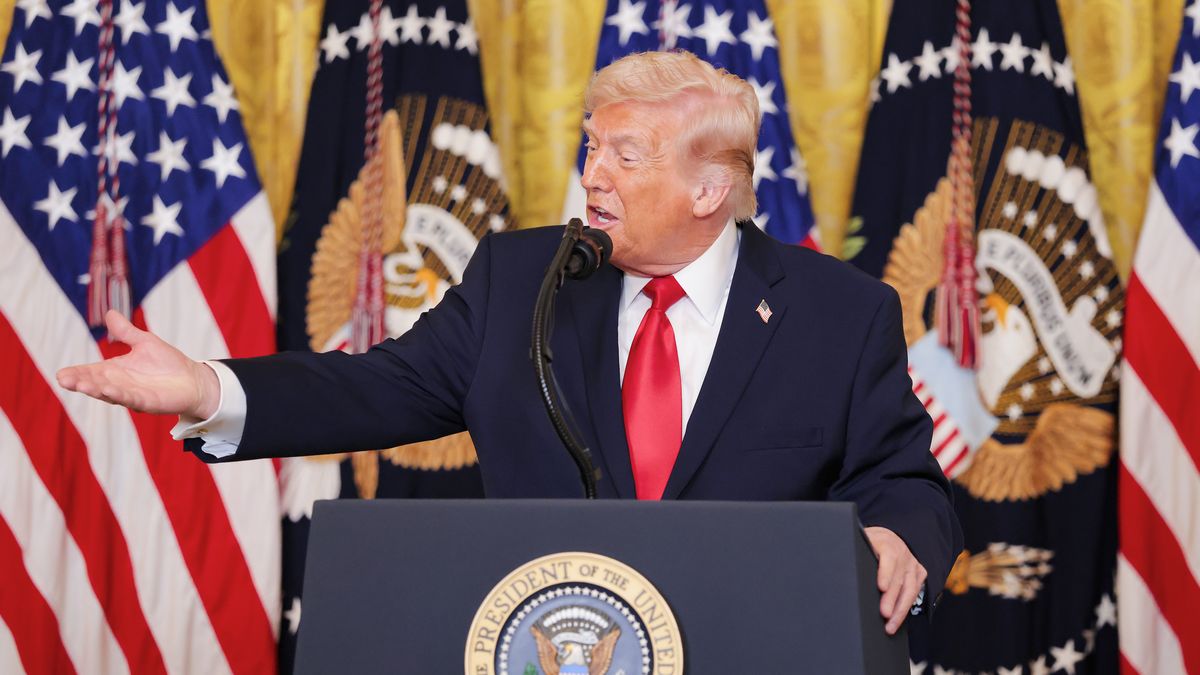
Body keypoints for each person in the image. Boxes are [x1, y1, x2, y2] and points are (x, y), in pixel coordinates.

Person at [57, 50, 961, 635]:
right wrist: (212, 391)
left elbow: (904, 480)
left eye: (627, 156)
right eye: (591, 148)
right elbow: (381, 386)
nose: (592, 177)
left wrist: (897, 536)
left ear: (708, 190)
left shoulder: (841, 314)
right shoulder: (521, 280)